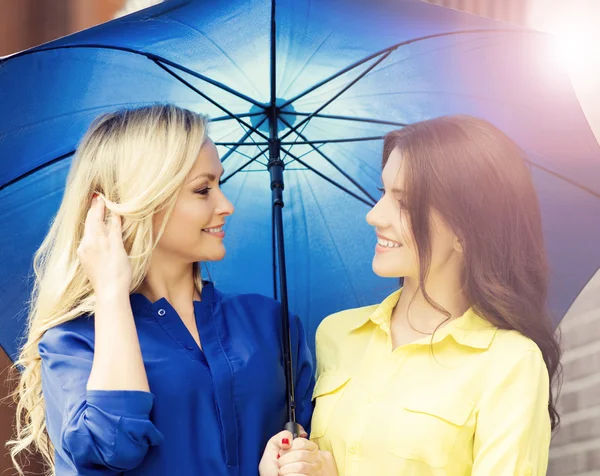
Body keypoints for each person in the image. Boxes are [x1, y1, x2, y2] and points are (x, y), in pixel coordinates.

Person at [9, 105, 314, 476]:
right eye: (203, 189)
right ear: (142, 199)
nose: (226, 206)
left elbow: (312, 437)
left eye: (220, 184)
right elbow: (112, 448)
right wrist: (111, 292)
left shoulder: (270, 322)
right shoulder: (75, 343)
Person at [269, 115, 561, 476]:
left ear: (465, 231)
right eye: (382, 193)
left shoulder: (510, 363)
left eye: (404, 203)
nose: (374, 216)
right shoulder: (336, 333)